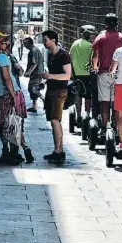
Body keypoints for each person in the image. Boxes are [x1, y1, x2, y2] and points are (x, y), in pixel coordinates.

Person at [0, 31, 34, 164]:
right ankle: (20, 149)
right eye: (4, 42)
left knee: (2, 124)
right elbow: (6, 77)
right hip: (10, 93)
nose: (7, 44)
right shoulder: (2, 58)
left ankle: (9, 151)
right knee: (13, 124)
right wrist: (12, 95)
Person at [41, 30, 72, 163]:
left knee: (55, 120)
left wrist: (50, 76)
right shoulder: (50, 54)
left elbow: (67, 75)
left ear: (53, 40)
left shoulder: (63, 55)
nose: (44, 43)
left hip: (60, 91)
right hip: (51, 89)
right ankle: (59, 150)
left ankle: (58, 151)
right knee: (55, 121)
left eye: (45, 40)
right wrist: (45, 80)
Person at [91, 13, 122, 131]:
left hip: (104, 72)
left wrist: (95, 67)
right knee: (116, 103)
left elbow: (95, 55)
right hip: (118, 73)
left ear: (105, 24)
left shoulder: (100, 38)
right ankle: (115, 126)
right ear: (116, 24)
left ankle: (104, 126)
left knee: (105, 103)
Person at [69, 25, 96, 116]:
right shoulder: (91, 46)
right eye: (92, 35)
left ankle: (79, 115)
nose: (93, 36)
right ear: (88, 34)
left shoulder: (75, 43)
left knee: (78, 95)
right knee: (88, 96)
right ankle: (87, 114)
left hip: (76, 74)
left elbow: (70, 57)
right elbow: (93, 60)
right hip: (87, 75)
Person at [23, 37, 45, 112]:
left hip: (36, 73)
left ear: (29, 43)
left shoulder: (33, 51)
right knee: (34, 88)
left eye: (25, 43)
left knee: (33, 89)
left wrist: (29, 72)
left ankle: (44, 100)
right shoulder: (35, 50)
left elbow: (34, 63)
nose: (24, 45)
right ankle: (34, 106)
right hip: (38, 72)